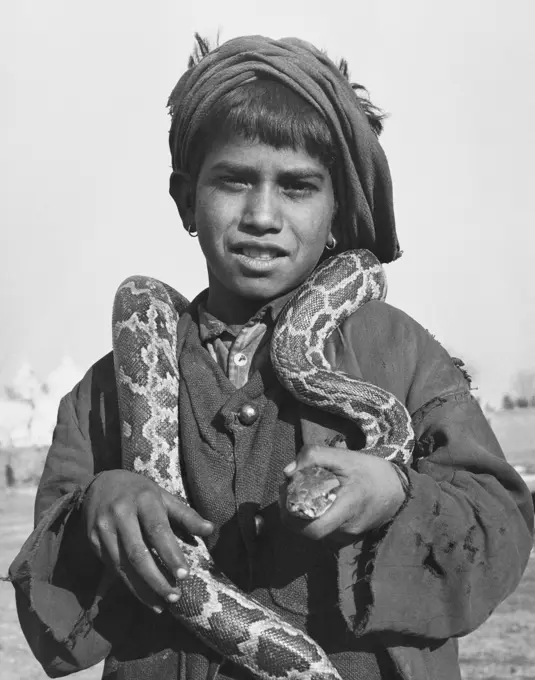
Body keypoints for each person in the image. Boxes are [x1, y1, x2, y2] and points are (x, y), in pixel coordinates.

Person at [9, 34, 534, 680]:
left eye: (296, 187)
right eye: (233, 181)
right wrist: (99, 505)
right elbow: (46, 587)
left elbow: (497, 518)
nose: (262, 214)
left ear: (339, 211)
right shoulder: (106, 386)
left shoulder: (392, 350)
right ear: (184, 199)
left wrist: (393, 490)